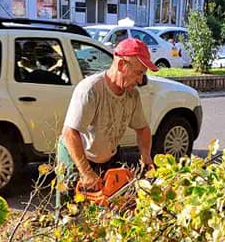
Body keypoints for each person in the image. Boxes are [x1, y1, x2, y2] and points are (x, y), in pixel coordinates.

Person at [57, 37, 155, 192]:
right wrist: (86, 172)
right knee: (72, 211)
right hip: (76, 155)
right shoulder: (91, 90)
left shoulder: (132, 95)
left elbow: (143, 129)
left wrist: (146, 156)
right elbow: (70, 133)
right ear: (122, 65)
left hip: (108, 155)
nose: (140, 79)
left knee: (111, 204)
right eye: (138, 73)